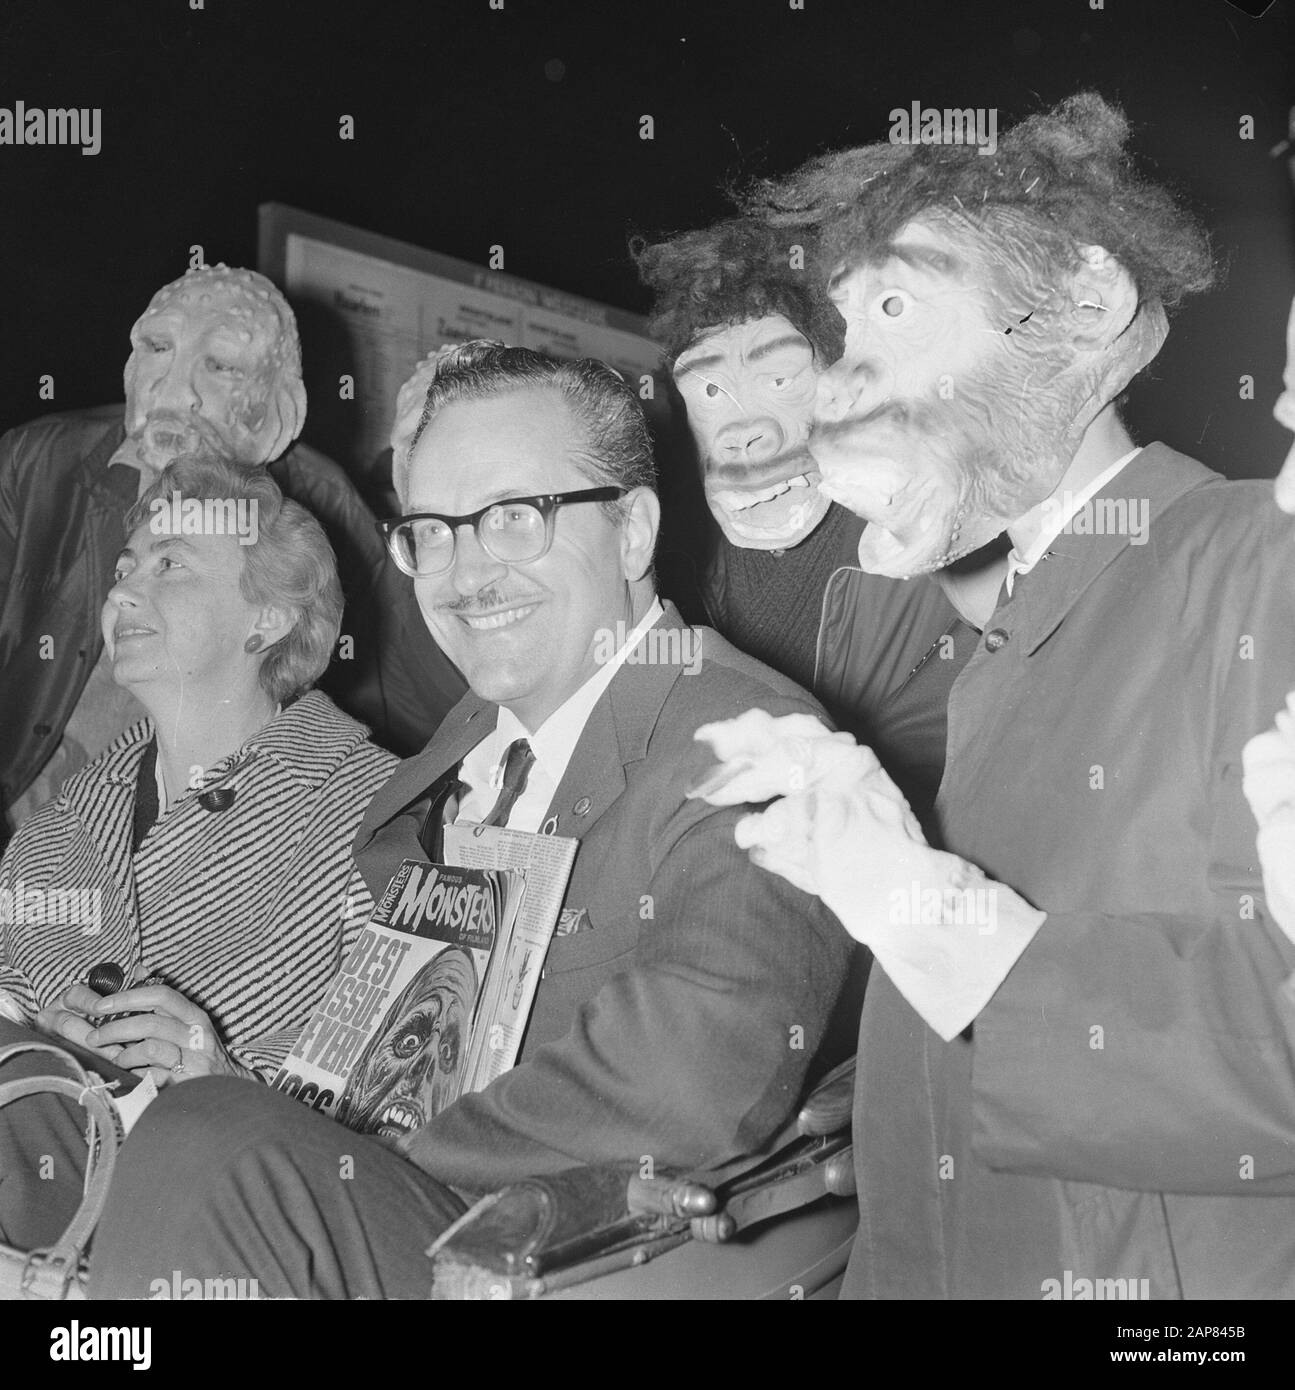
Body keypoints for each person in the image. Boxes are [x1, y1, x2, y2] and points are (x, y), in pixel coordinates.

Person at [86, 341, 854, 1300]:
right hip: (418, 1221)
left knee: (200, 1147)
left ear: (631, 532)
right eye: (432, 532)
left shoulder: (754, 745)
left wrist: (363, 1148)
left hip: (580, 1259)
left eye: (512, 519)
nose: (463, 575)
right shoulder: (469, 745)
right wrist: (265, 1091)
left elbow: (696, 1082)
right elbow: (400, 1037)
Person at [696, 92, 1295, 1298]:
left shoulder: (1254, 558)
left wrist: (925, 909)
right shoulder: (1007, 632)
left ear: (1081, 306)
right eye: (844, 320)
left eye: (897, 304)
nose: (838, 375)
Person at [0, 451, 397, 1251]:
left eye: (171, 563)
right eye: (125, 566)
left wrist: (219, 1084)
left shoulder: (375, 814)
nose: (121, 591)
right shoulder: (47, 837)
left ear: (269, 615)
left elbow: (397, 1134)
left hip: (241, 1239)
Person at [0, 264, 460, 836]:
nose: (173, 391)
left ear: (280, 407)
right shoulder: (36, 463)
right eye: (158, 346)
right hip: (35, 831)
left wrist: (432, 502)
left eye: (219, 365)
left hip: (215, 841)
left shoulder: (321, 503)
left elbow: (425, 703)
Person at [636, 215, 998, 816]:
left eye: (779, 378)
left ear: (838, 382)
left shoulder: (933, 549)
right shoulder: (666, 570)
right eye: (708, 392)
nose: (743, 432)